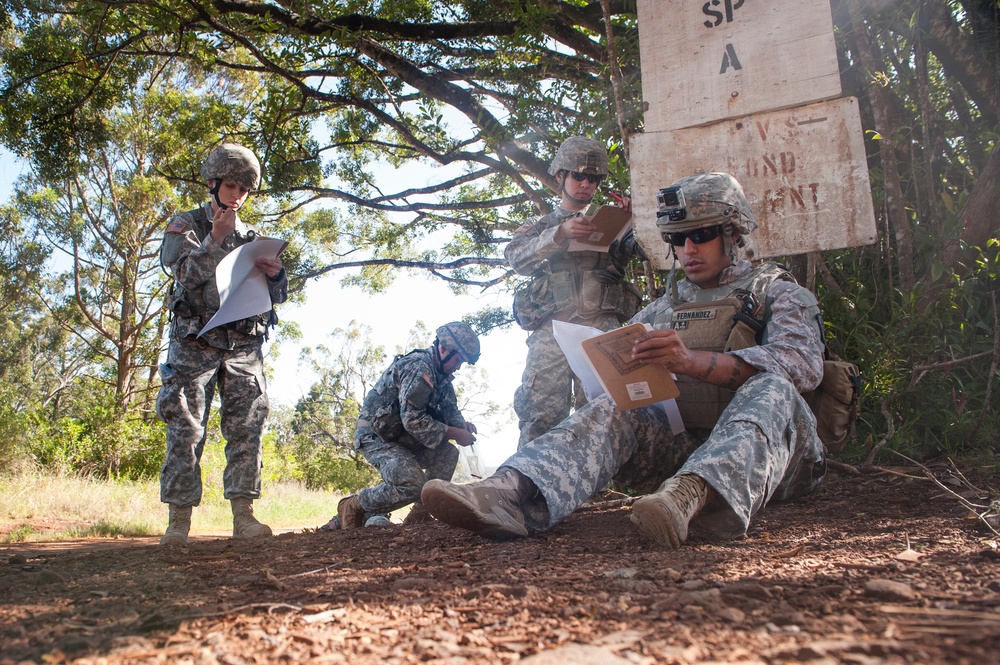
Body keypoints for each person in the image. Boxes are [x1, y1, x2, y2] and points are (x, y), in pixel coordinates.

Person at [422, 172, 827, 549]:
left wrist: (693, 361)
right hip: (681, 453)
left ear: (733, 233)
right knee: (616, 403)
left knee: (772, 384)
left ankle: (696, 497)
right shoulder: (662, 308)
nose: (687, 250)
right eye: (677, 239)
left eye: (700, 235)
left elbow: (802, 364)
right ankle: (509, 492)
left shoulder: (776, 291)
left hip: (779, 460)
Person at [157, 143, 287, 547]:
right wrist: (215, 239)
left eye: (244, 190)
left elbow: (275, 295)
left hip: (243, 345)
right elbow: (184, 276)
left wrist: (277, 274)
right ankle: (178, 523)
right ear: (213, 183)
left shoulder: (252, 237)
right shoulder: (186, 225)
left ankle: (244, 518)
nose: (236, 195)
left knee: (248, 427)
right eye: (230, 185)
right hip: (195, 342)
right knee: (186, 428)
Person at [506, 136, 644, 449]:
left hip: (601, 330)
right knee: (540, 414)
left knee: (601, 412)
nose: (585, 184)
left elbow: (654, 253)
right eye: (578, 176)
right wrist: (559, 235)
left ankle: (595, 489)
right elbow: (516, 259)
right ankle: (528, 488)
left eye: (593, 179)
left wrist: (637, 221)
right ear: (561, 176)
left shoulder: (615, 223)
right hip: (552, 331)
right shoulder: (539, 225)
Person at [323, 322, 482, 530]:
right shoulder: (419, 366)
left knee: (448, 454)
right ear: (443, 349)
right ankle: (354, 506)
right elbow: (413, 419)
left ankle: (421, 514)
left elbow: (450, 410)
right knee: (413, 483)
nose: (458, 367)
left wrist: (461, 425)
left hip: (404, 439)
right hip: (376, 436)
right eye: (458, 360)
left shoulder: (443, 380)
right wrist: (453, 432)